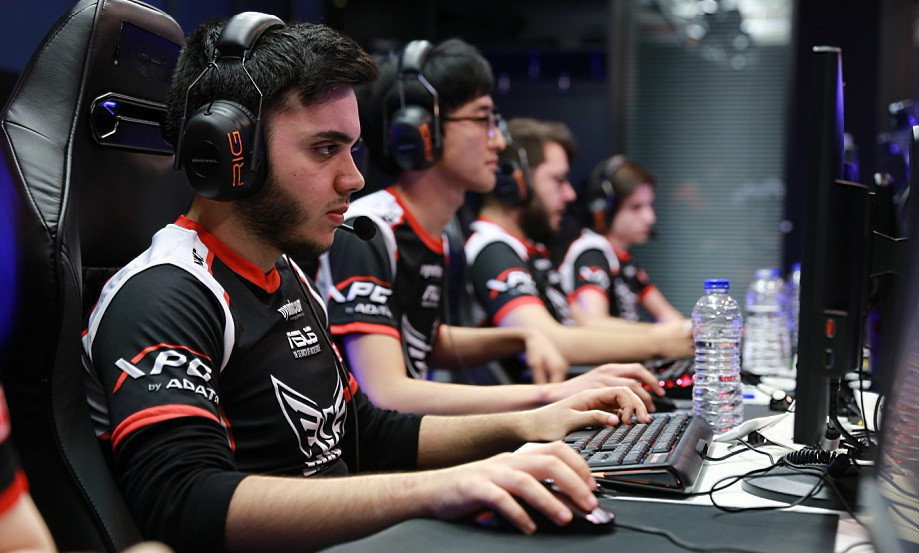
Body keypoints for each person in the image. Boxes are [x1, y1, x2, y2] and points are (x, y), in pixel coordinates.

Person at [81, 15, 649, 552]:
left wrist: (529, 423)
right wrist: (440, 488)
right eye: (325, 149)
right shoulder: (164, 295)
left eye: (352, 149)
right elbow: (182, 502)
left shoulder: (288, 276)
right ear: (231, 153)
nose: (354, 178)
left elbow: (364, 431)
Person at [316, 37, 663, 416]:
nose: (498, 141)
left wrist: (520, 338)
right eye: (482, 119)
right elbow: (386, 394)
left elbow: (421, 340)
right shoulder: (367, 231)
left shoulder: (440, 237)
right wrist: (551, 395)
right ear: (420, 130)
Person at [465, 118, 693, 372]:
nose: (570, 194)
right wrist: (660, 342)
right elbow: (549, 340)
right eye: (559, 180)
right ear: (517, 181)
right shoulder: (492, 251)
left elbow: (588, 324)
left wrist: (676, 334)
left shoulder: (527, 253)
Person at [560, 155, 685, 324]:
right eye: (636, 207)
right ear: (604, 209)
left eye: (650, 205)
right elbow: (595, 325)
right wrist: (660, 335)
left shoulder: (623, 259)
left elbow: (669, 316)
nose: (650, 218)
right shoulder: (591, 254)